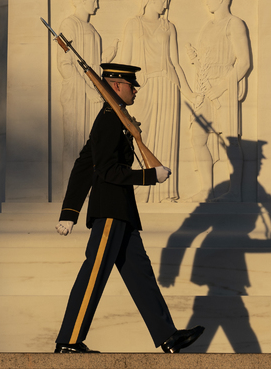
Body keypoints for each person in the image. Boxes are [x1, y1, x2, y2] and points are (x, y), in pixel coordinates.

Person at [53, 63, 205, 354]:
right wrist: (149, 176)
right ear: (115, 86)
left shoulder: (116, 118)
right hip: (110, 210)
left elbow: (84, 164)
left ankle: (168, 336)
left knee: (140, 275)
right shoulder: (109, 119)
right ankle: (68, 341)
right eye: (130, 85)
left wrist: (70, 212)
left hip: (121, 212)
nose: (135, 90)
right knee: (94, 273)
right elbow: (105, 170)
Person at [117, 0, 195, 202]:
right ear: (151, 0)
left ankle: (165, 193)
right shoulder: (134, 25)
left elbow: (175, 63)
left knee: (166, 137)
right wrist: (119, 92)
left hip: (166, 86)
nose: (166, 6)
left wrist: (189, 93)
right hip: (141, 87)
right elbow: (125, 61)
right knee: (139, 134)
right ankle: (138, 187)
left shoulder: (168, 27)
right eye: (163, 1)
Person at [186, 0, 251, 202]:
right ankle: (206, 189)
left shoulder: (235, 24)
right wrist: (196, 61)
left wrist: (221, 87)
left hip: (225, 86)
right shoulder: (208, 26)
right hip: (205, 86)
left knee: (230, 140)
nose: (206, 2)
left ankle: (235, 192)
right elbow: (206, 61)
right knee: (197, 137)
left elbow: (243, 62)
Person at [57, 0, 115, 183]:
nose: (97, 6)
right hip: (78, 93)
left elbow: (94, 63)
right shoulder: (69, 24)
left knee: (93, 144)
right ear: (82, 1)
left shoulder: (91, 28)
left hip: (94, 93)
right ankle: (70, 189)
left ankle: (90, 188)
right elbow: (65, 64)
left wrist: (109, 54)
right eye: (93, 0)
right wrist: (87, 90)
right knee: (75, 143)